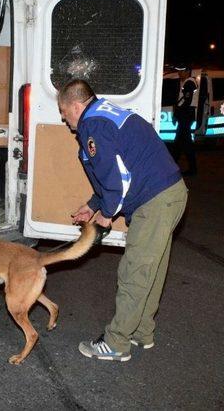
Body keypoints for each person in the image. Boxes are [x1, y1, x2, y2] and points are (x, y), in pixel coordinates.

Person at [58, 79, 188, 362]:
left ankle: (117, 342)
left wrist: (106, 213)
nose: (63, 118)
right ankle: (142, 332)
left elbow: (118, 181)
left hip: (154, 201)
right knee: (151, 270)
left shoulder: (93, 125)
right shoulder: (106, 114)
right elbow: (118, 169)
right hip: (169, 194)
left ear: (77, 106)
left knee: (133, 272)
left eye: (64, 111)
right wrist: (93, 205)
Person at [172, 81, 198, 175]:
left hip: (185, 119)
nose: (180, 73)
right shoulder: (187, 83)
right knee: (180, 144)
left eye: (182, 70)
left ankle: (172, 167)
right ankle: (172, 166)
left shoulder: (189, 83)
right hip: (185, 118)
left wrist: (176, 114)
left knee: (182, 145)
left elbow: (185, 102)